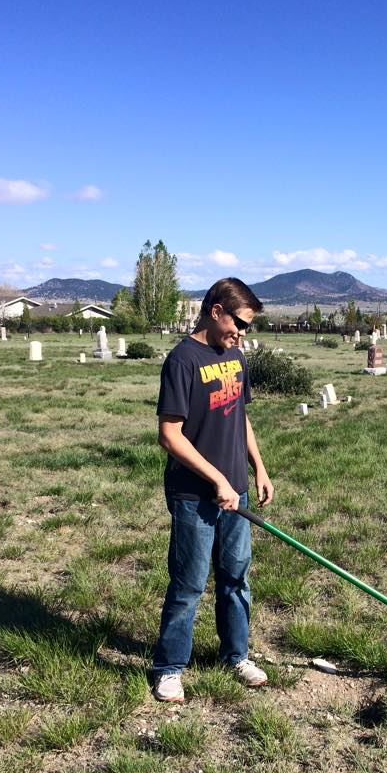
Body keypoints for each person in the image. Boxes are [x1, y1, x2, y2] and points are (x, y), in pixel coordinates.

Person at [152, 277, 274, 702]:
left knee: (236, 577)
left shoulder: (235, 356)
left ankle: (236, 656)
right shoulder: (182, 360)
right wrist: (216, 479)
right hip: (194, 495)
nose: (242, 333)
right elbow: (170, 435)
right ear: (216, 310)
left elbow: (240, 416)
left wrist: (258, 468)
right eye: (239, 323)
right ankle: (169, 668)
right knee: (188, 584)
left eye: (248, 327)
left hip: (236, 490)